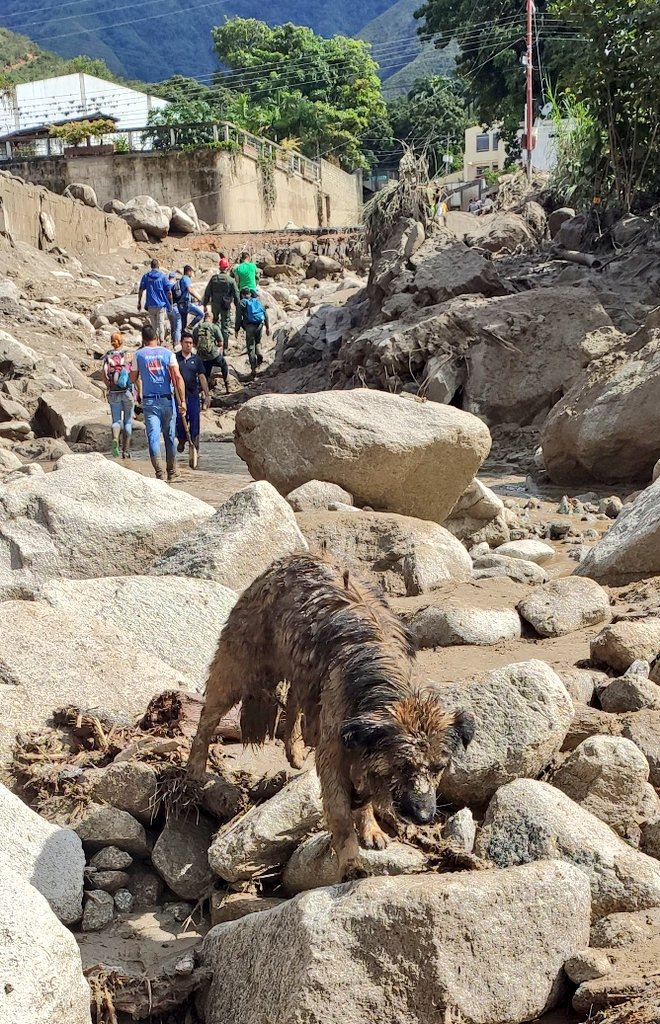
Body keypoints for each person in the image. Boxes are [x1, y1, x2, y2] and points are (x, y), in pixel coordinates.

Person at [130, 323, 186, 482]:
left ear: (143, 339)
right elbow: (177, 378)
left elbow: (132, 378)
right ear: (156, 337)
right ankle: (171, 472)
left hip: (149, 402)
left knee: (153, 438)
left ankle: (159, 473)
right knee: (170, 437)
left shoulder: (138, 355)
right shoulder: (168, 354)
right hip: (167, 399)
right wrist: (183, 401)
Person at [176, 330, 210, 458]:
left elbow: (202, 377)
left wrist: (207, 395)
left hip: (193, 394)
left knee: (195, 421)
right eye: (186, 342)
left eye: (190, 343)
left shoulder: (196, 359)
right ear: (181, 343)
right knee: (180, 419)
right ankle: (182, 439)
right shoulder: (175, 358)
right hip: (179, 395)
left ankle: (195, 447)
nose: (188, 345)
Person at [102, 332, 135, 459]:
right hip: (127, 392)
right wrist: (138, 391)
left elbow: (104, 373)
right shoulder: (128, 354)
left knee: (116, 421)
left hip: (113, 392)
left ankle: (115, 439)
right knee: (128, 421)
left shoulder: (108, 355)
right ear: (122, 341)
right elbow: (133, 373)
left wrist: (108, 386)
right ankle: (126, 450)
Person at [202, 260, 239, 352]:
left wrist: (205, 304)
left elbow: (207, 292)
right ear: (227, 268)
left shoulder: (214, 279)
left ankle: (213, 345)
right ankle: (225, 348)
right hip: (225, 305)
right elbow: (236, 294)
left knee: (214, 323)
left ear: (219, 267)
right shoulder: (231, 280)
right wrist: (238, 307)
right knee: (225, 326)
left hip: (215, 304)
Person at [236, 288, 269, 379]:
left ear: (242, 295)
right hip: (260, 324)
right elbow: (265, 314)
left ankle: (253, 369)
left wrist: (236, 329)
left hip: (250, 326)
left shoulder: (242, 302)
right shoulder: (257, 301)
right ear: (250, 294)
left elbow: (238, 317)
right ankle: (259, 352)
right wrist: (267, 327)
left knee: (250, 347)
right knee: (258, 341)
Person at [193, 310, 230, 393]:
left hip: (202, 357)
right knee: (224, 365)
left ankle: (203, 392)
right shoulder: (214, 327)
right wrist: (215, 347)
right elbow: (221, 343)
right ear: (211, 318)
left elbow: (194, 344)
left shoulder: (197, 328)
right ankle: (227, 385)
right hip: (213, 355)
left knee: (204, 374)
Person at [138, 259, 173, 343]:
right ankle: (161, 340)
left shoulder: (146, 276)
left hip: (150, 304)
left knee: (153, 325)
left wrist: (139, 302)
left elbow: (141, 290)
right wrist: (171, 302)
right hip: (160, 304)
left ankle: (155, 340)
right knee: (161, 323)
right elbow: (169, 291)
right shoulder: (162, 276)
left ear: (151, 266)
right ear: (158, 266)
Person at [178, 264, 204, 336]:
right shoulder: (186, 279)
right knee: (200, 314)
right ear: (188, 272)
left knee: (183, 322)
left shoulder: (182, 279)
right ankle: (190, 326)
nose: (192, 274)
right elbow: (190, 290)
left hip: (181, 303)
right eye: (191, 272)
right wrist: (199, 298)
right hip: (185, 303)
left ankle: (183, 336)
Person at [167, 271, 183, 347]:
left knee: (172, 327)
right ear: (174, 278)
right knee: (178, 327)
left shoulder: (166, 285)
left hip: (168, 309)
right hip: (175, 307)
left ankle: (173, 342)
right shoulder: (175, 284)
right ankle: (176, 344)